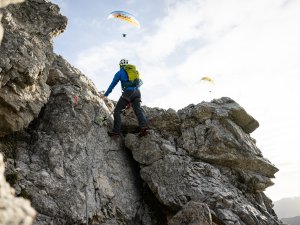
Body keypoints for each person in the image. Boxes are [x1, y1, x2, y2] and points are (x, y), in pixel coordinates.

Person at [102, 59, 149, 137]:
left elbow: (112, 85)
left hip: (128, 93)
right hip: (137, 92)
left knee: (117, 110)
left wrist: (105, 94)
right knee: (138, 110)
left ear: (120, 65)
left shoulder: (119, 73)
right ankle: (144, 127)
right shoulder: (133, 71)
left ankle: (116, 131)